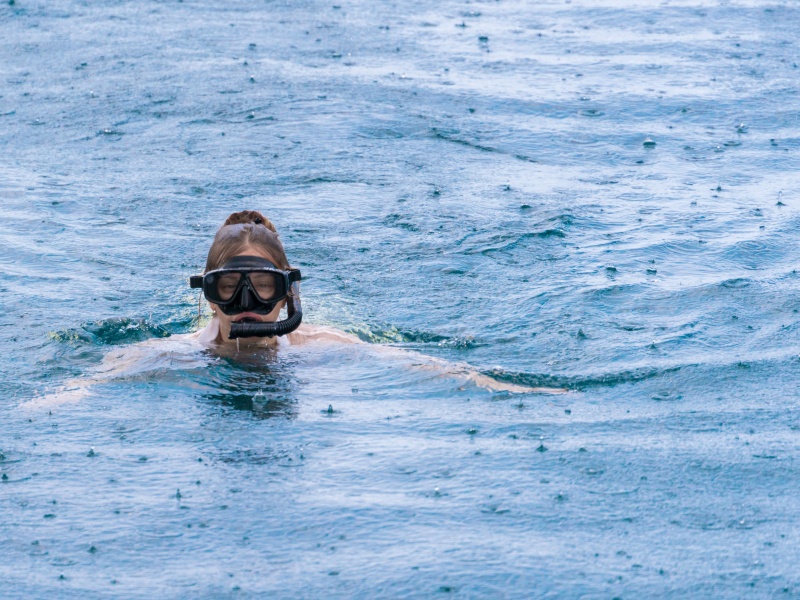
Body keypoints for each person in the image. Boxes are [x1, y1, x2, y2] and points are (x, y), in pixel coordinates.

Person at [25, 210, 565, 409]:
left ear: (287, 294)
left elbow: (426, 369)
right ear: (208, 296)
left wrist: (509, 389)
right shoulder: (175, 354)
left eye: (263, 287)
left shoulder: (323, 345)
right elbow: (89, 384)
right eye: (230, 288)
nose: (247, 305)